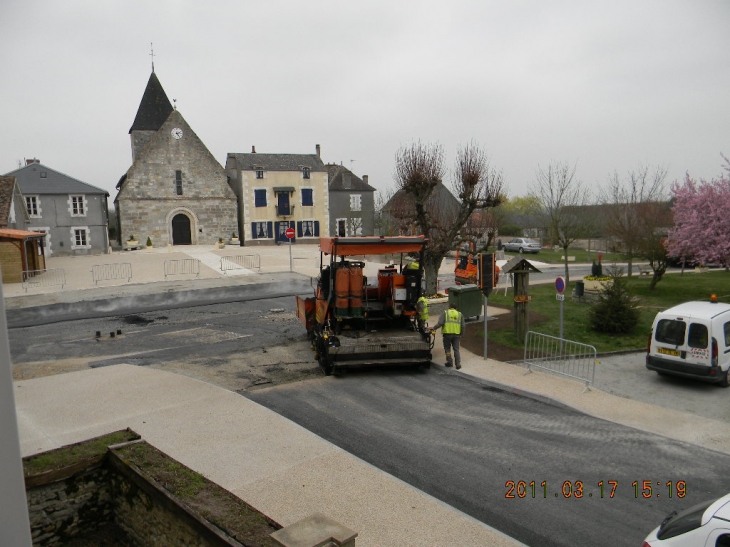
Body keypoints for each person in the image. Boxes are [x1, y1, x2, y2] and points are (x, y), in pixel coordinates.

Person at [432, 303, 466, 369]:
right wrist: (461, 333)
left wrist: (434, 328)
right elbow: (463, 326)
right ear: (456, 308)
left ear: (450, 307)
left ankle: (449, 362)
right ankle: (458, 364)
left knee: (447, 349)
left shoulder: (446, 313)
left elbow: (440, 323)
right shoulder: (460, 314)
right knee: (456, 349)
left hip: (447, 335)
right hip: (456, 335)